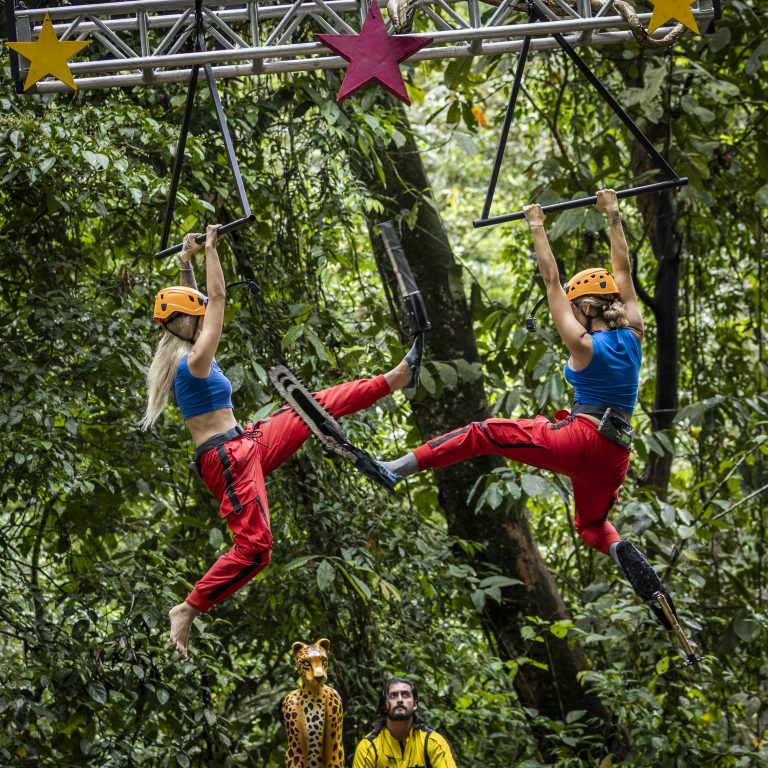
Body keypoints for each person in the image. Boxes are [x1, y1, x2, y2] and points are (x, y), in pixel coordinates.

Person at [378, 190, 678, 630]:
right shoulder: (634, 331)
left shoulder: (582, 345)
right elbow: (624, 271)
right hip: (617, 454)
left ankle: (397, 468)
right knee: (592, 526)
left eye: (577, 308)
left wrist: (537, 225)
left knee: (481, 432)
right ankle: (617, 549)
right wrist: (613, 215)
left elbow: (551, 282)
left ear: (586, 309)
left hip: (580, 439)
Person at [142, 225, 414, 657]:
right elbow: (217, 301)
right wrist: (211, 248)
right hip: (226, 460)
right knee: (256, 550)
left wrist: (186, 262)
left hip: (245, 442)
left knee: (311, 406)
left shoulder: (187, 349)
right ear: (189, 324)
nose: (205, 321)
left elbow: (197, 304)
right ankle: (190, 607)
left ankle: (393, 379)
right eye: (197, 317)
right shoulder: (193, 361)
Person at [352, 678, 457, 768]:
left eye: (405, 695)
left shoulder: (434, 742)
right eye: (393, 695)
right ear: (385, 705)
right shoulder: (368, 747)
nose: (400, 700)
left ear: (415, 704)